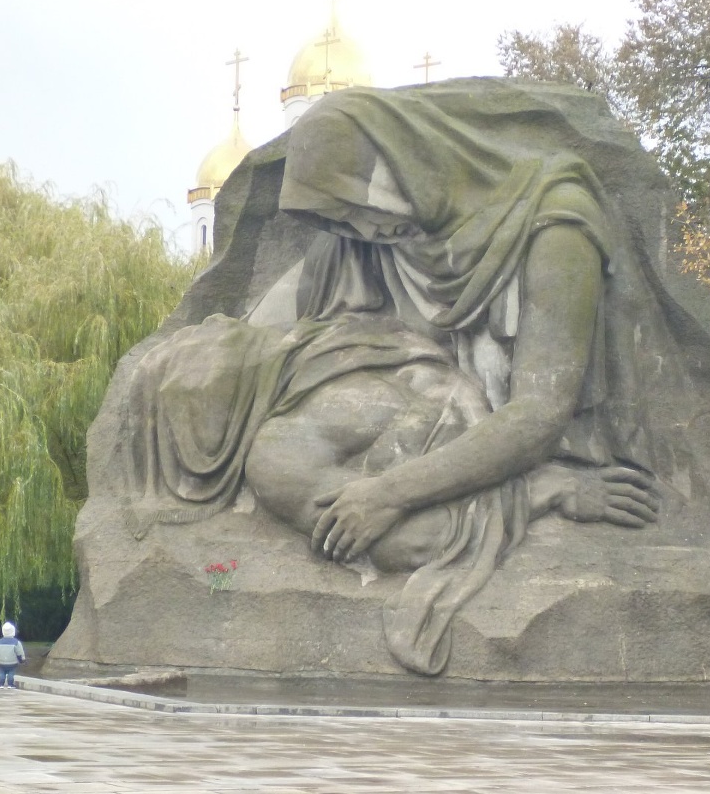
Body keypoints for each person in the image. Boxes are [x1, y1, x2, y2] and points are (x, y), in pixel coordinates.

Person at [124, 84, 669, 674]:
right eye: (343, 219)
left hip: (511, 438)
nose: (364, 231)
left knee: (311, 474)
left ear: (403, 162)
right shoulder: (355, 246)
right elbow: (260, 332)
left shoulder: (554, 226)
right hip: (417, 440)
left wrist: (386, 494)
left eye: (362, 207)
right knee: (293, 471)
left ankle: (542, 489)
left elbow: (540, 416)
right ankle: (530, 494)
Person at [0, 622, 25, 689]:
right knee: (11, 673)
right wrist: (22, 660)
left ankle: (0, 684)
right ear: (13, 631)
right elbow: (20, 653)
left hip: (1, 662)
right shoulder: (16, 642)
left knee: (2, 673)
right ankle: (10, 684)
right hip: (12, 662)